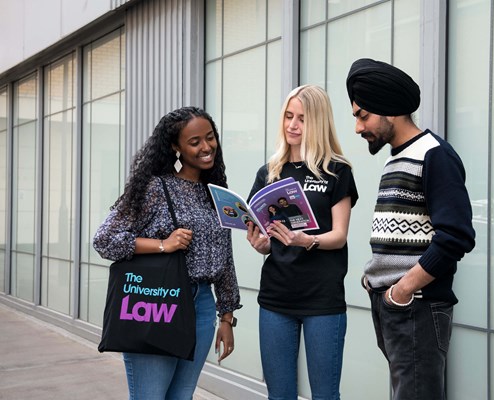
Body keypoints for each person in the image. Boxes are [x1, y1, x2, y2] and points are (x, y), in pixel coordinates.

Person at [346, 58, 476, 400]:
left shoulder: (434, 155)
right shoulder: (395, 157)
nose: (358, 128)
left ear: (390, 110)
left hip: (414, 304)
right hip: (395, 303)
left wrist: (402, 290)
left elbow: (456, 236)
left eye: (363, 115)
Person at [93, 106, 241, 400]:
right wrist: (163, 244)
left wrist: (226, 317)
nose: (206, 147)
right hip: (159, 303)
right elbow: (104, 239)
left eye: (210, 138)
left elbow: (224, 257)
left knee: (182, 396)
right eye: (195, 141)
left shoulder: (216, 194)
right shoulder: (155, 188)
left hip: (201, 308)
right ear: (176, 147)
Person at [246, 84, 359, 400]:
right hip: (275, 297)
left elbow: (339, 237)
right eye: (288, 116)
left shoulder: (337, 172)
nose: (292, 125)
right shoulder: (269, 172)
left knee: (325, 395)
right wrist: (262, 244)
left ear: (318, 122)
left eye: (302, 119)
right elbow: (269, 237)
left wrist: (305, 240)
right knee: (279, 395)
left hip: (322, 299)